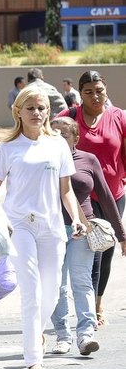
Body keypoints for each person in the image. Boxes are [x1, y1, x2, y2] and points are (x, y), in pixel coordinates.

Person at [0, 86, 84, 369]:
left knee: (52, 292)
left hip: (52, 226)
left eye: (42, 108)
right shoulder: (6, 148)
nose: (37, 114)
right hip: (20, 226)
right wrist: (0, 220)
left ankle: (36, 334)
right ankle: (33, 358)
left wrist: (77, 218)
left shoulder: (58, 146)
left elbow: (65, 190)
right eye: (30, 108)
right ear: (18, 111)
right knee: (31, 290)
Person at [48, 116, 126, 356]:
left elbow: (105, 196)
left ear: (76, 138)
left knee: (81, 281)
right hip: (50, 231)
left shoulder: (88, 160)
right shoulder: (43, 161)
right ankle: (62, 335)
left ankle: (85, 334)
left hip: (82, 229)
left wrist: (122, 236)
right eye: (53, 134)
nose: (58, 139)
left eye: (64, 135)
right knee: (56, 286)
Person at [57, 70, 126, 327]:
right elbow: (49, 137)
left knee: (104, 251)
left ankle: (97, 301)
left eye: (99, 90)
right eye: (88, 92)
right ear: (80, 93)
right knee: (90, 252)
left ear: (106, 90)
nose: (95, 96)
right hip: (81, 195)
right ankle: (84, 308)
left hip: (113, 193)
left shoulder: (119, 117)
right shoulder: (68, 117)